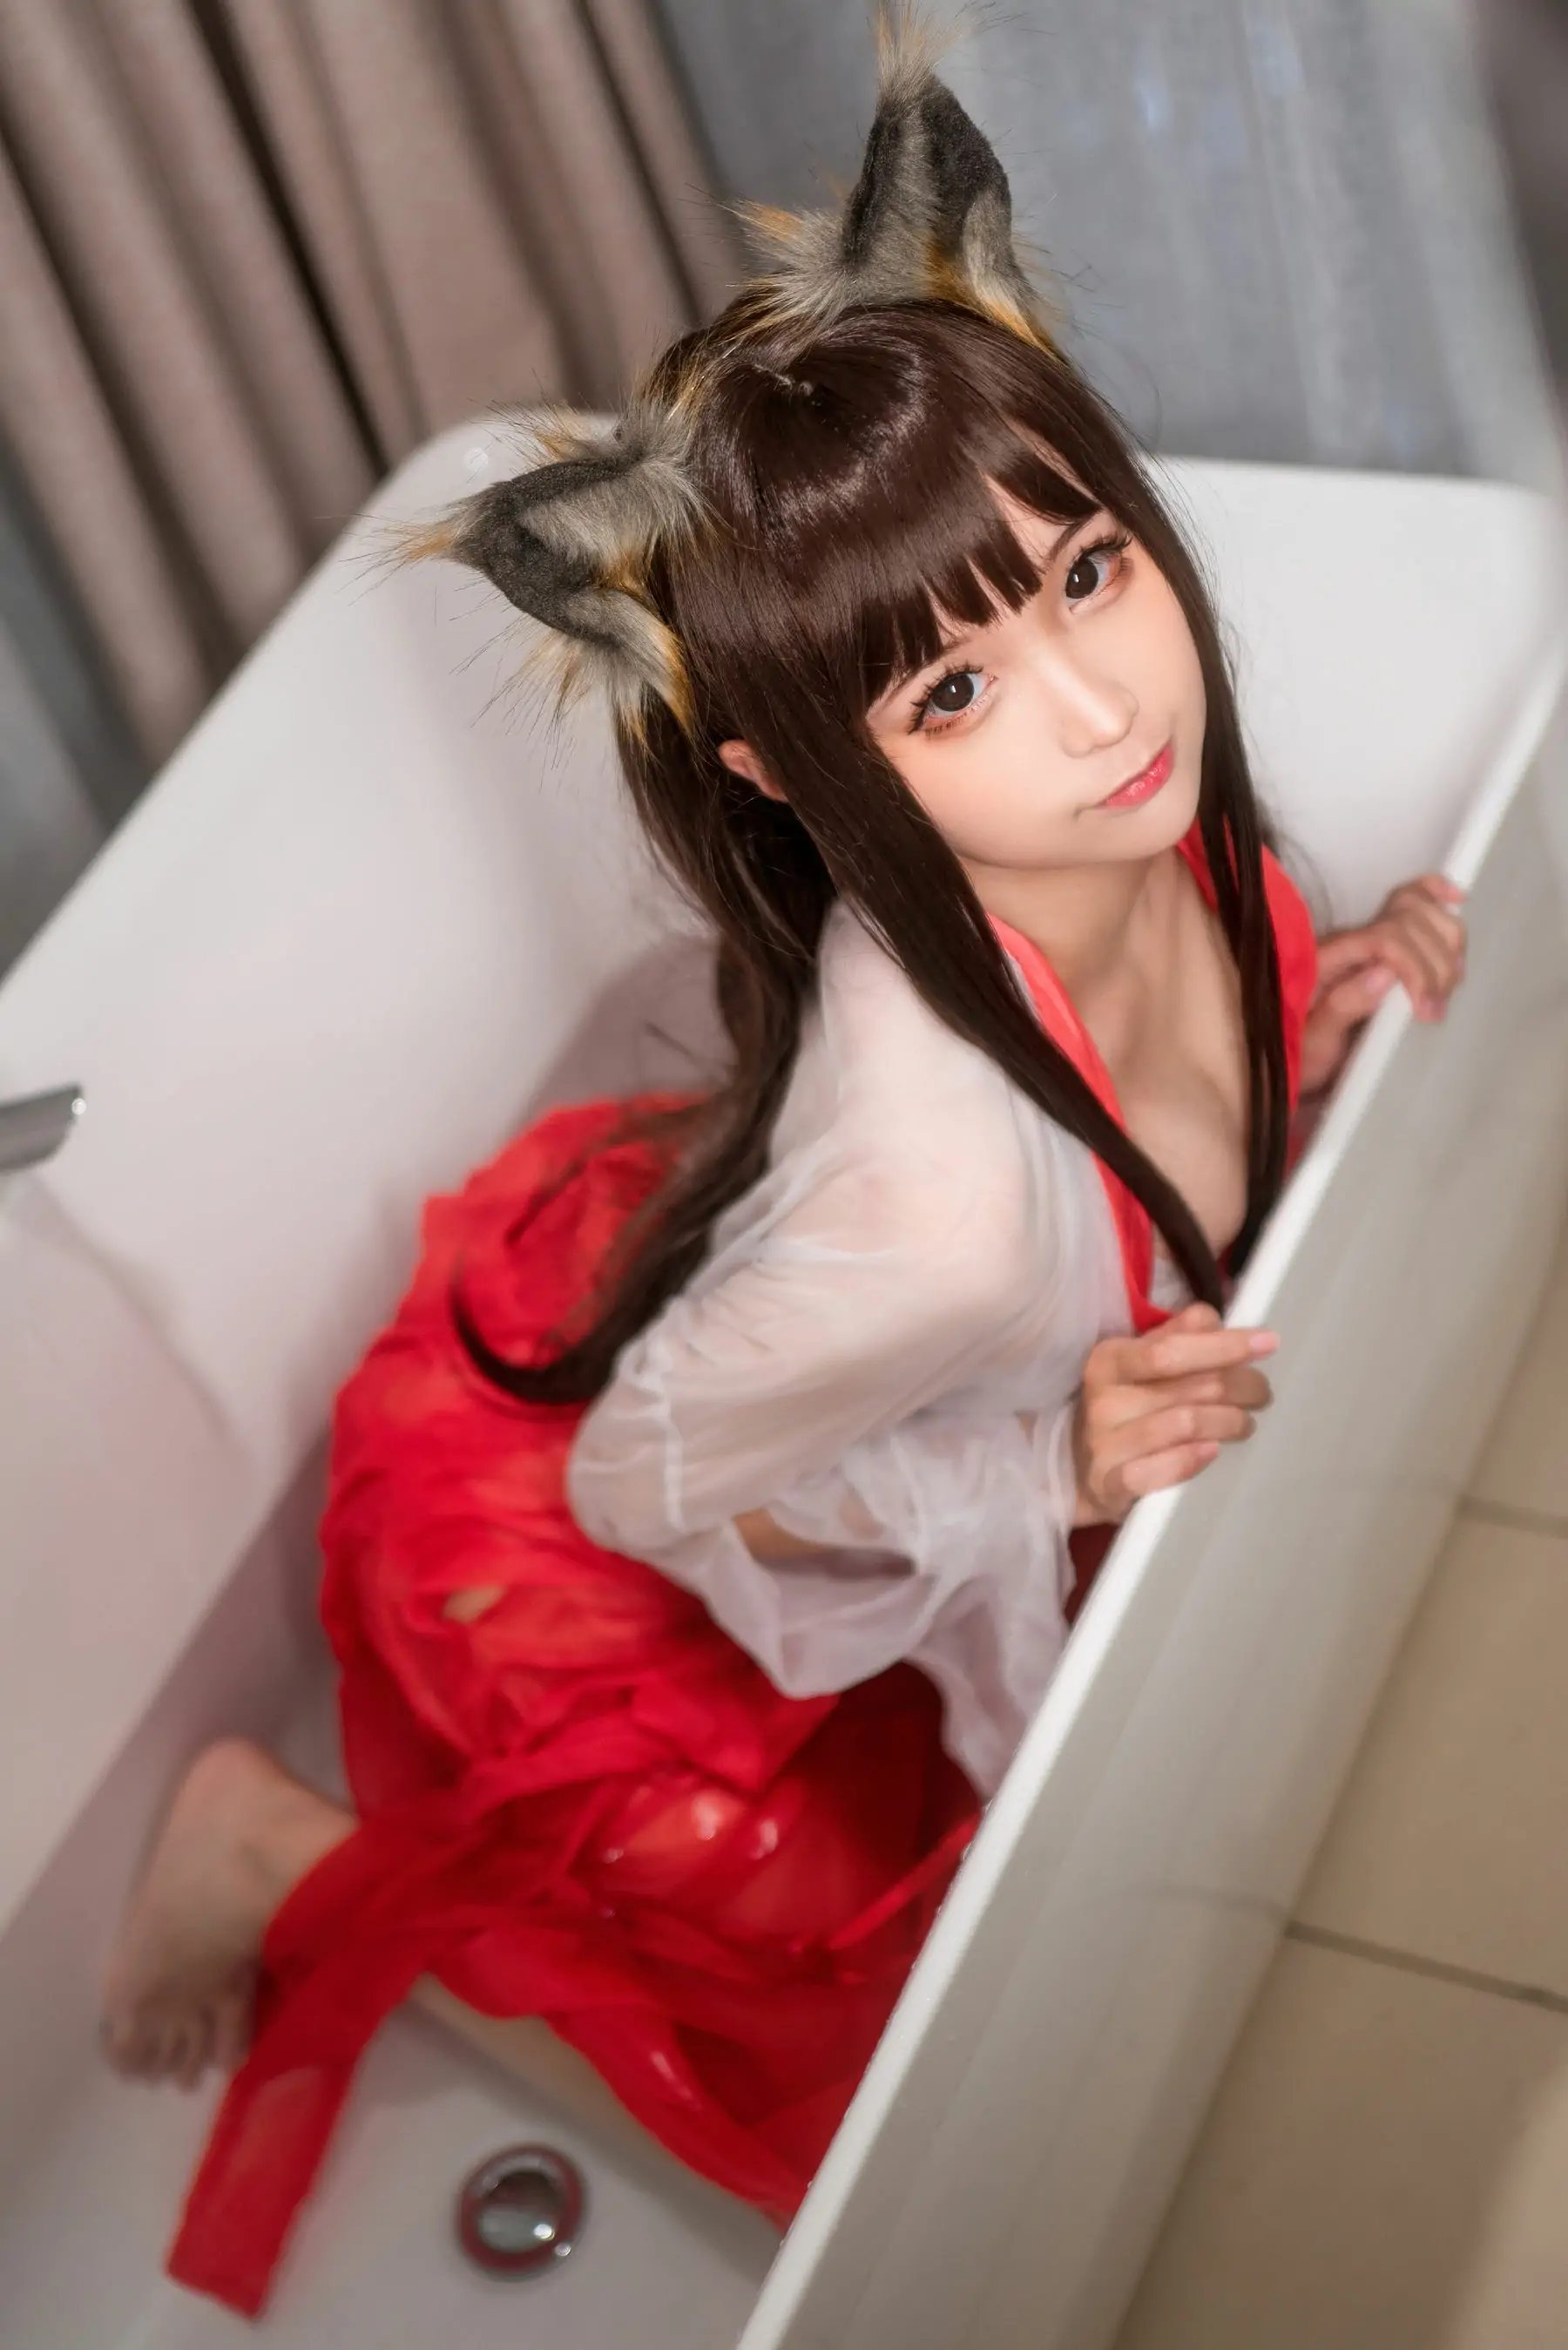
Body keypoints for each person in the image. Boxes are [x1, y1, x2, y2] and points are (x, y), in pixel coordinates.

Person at [100, 19, 1467, 2320]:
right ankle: (278, 1846)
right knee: (869, 2085)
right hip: (679, 1510)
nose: (1103, 709)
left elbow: (1149, 1121)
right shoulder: (936, 1212)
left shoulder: (1120, 835)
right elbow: (640, 1484)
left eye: (1089, 568)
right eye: (952, 694)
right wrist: (1044, 1463)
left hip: (807, 1321)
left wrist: (1305, 1031)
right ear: (787, 766)